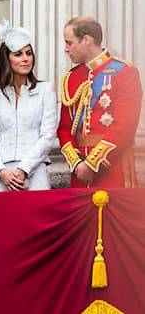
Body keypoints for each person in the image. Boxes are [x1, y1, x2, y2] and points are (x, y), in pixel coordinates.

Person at [58, 16, 142, 188]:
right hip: (79, 172)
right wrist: (77, 164)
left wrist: (92, 164)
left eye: (69, 43)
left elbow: (125, 127)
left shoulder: (124, 73)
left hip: (114, 168)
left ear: (86, 40)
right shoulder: (71, 78)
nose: (66, 49)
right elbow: (64, 128)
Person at [0, 20, 58, 191]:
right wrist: (1, 170)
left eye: (28, 53)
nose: (25, 59)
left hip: (35, 172)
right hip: (3, 174)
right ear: (7, 58)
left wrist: (24, 168)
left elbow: (48, 136)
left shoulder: (45, 90)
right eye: (18, 54)